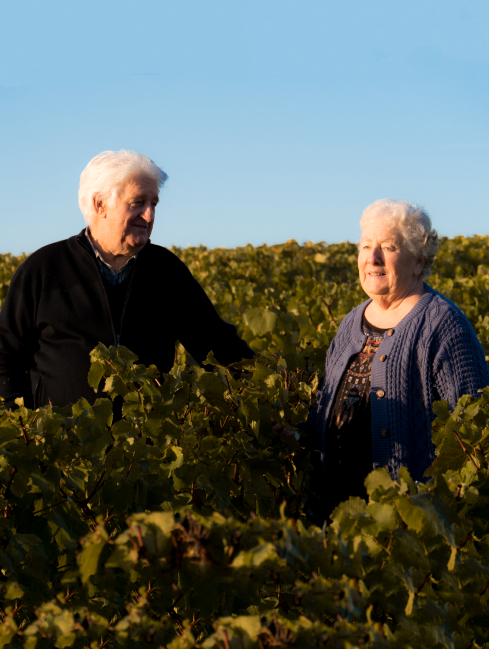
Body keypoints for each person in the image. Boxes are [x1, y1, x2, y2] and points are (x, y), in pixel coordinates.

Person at [0, 150, 254, 410]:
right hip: (58, 446)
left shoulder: (167, 271)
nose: (149, 216)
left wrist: (268, 390)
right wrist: (19, 430)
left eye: (153, 203)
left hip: (144, 447)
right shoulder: (42, 270)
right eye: (138, 202)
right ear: (100, 205)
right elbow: (5, 357)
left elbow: (218, 345)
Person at [306, 199, 489, 523]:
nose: (372, 257)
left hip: (405, 533)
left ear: (419, 260)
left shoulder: (444, 326)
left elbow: (476, 434)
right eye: (365, 246)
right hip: (333, 526)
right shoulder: (351, 324)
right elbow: (328, 411)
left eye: (388, 247)